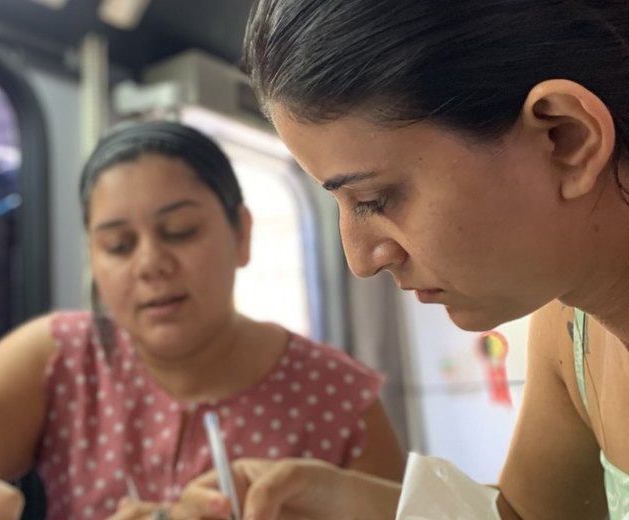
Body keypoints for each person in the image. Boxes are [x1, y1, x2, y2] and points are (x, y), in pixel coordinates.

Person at [0, 120, 404, 520]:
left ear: (241, 234)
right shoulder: (63, 356)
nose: (151, 264)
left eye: (180, 232)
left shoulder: (341, 399)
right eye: (118, 245)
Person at [177, 1, 629, 519]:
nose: (361, 261)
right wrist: (344, 503)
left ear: (566, 138)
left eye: (375, 199)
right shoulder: (571, 328)